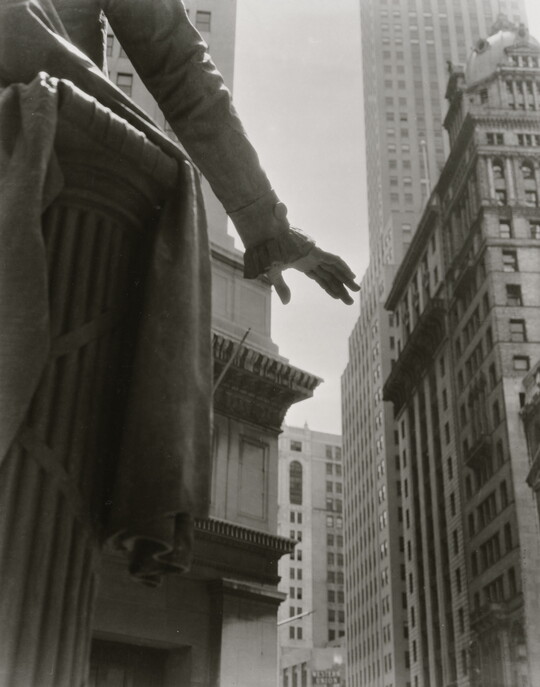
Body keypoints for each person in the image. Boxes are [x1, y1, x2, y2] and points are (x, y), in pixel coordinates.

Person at [0, 0, 360, 305]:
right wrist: (269, 232)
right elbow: (177, 66)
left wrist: (268, 230)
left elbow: (177, 66)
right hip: (40, 187)